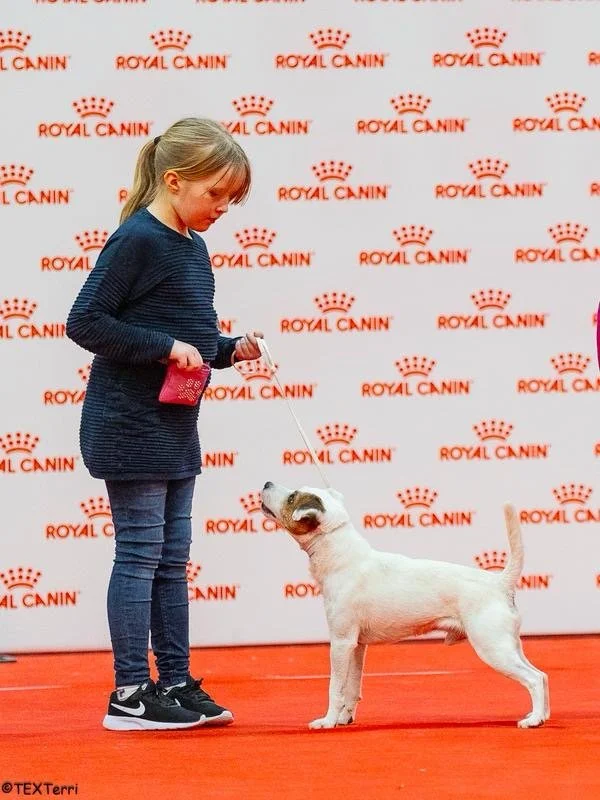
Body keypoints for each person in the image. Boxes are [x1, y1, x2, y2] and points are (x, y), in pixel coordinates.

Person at [66, 118, 263, 731]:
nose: (222, 208)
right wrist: (163, 347)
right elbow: (84, 321)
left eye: (232, 199)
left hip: (174, 425)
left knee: (171, 561)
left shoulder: (192, 247)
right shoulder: (137, 239)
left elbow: (193, 340)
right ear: (174, 181)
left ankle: (174, 681)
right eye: (215, 194)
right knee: (139, 556)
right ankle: (129, 694)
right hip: (128, 424)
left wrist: (231, 349)